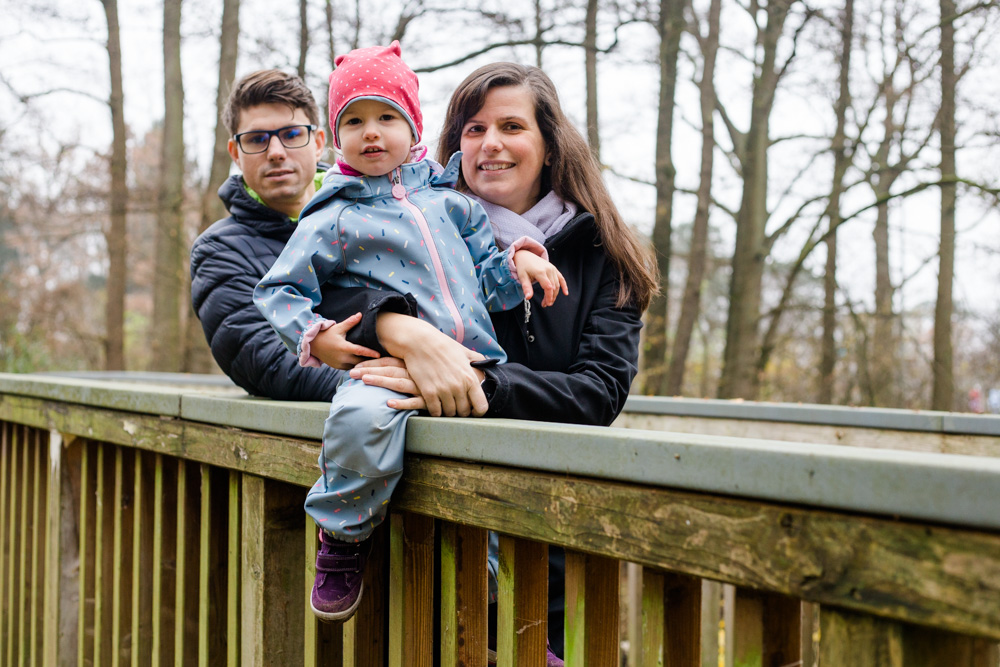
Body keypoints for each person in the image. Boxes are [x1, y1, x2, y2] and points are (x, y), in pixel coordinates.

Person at [347, 62, 659, 661]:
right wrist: (394, 325)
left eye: (511, 126)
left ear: (549, 145)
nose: (489, 144)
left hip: (553, 537)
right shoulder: (410, 232)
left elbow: (597, 393)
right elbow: (331, 303)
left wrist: (481, 382)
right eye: (472, 128)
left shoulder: (604, 256)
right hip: (428, 530)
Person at [253, 42, 566, 624]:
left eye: (386, 117)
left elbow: (488, 286)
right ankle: (343, 539)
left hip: (470, 368)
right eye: (354, 121)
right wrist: (316, 336)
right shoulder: (334, 215)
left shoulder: (454, 205)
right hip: (388, 371)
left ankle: (511, 624)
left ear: (414, 126)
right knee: (358, 421)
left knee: (494, 486)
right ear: (335, 136)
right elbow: (277, 290)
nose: (371, 133)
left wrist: (519, 261)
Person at [190, 69, 408, 402]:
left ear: (319, 143)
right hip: (366, 407)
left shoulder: (378, 215)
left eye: (292, 134)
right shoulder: (220, 251)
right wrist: (395, 379)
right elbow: (266, 362)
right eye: (256, 139)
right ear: (235, 153)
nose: (276, 151)